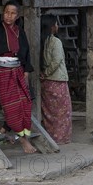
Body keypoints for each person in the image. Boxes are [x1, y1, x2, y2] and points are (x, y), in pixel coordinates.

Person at [0, 0, 36, 153]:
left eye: (13, 13)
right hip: (1, 72)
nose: (9, 16)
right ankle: (24, 142)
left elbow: (26, 51)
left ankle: (4, 132)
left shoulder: (19, 31)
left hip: (17, 70)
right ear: (3, 13)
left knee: (26, 103)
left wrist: (26, 70)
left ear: (17, 15)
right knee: (13, 106)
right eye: (6, 12)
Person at [39, 15, 73, 145]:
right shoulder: (55, 42)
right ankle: (61, 138)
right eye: (57, 24)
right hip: (57, 80)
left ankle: (51, 136)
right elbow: (57, 61)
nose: (58, 26)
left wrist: (44, 74)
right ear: (52, 26)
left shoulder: (42, 41)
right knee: (62, 112)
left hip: (46, 82)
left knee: (49, 111)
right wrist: (47, 73)